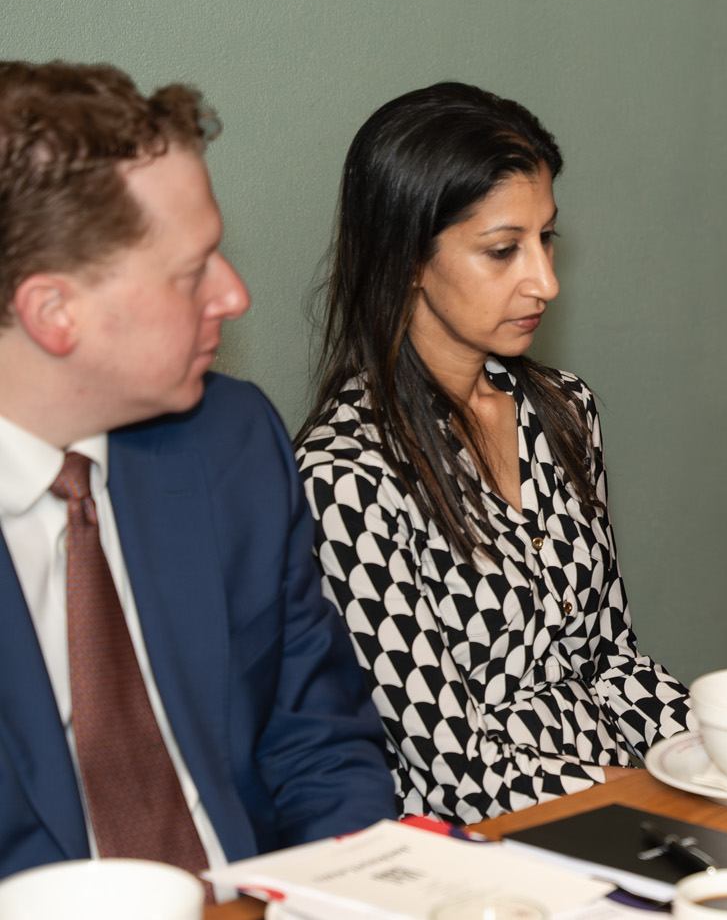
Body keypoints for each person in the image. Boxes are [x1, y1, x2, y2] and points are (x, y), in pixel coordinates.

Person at [0, 61, 394, 882]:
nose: (235, 294)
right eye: (192, 271)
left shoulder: (229, 443)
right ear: (54, 312)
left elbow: (319, 742)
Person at [296, 82, 690, 824]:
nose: (545, 281)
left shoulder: (563, 410)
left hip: (622, 800)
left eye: (547, 239)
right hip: (480, 842)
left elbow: (611, 662)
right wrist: (653, 801)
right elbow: (455, 769)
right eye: (503, 250)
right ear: (408, 257)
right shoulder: (346, 480)